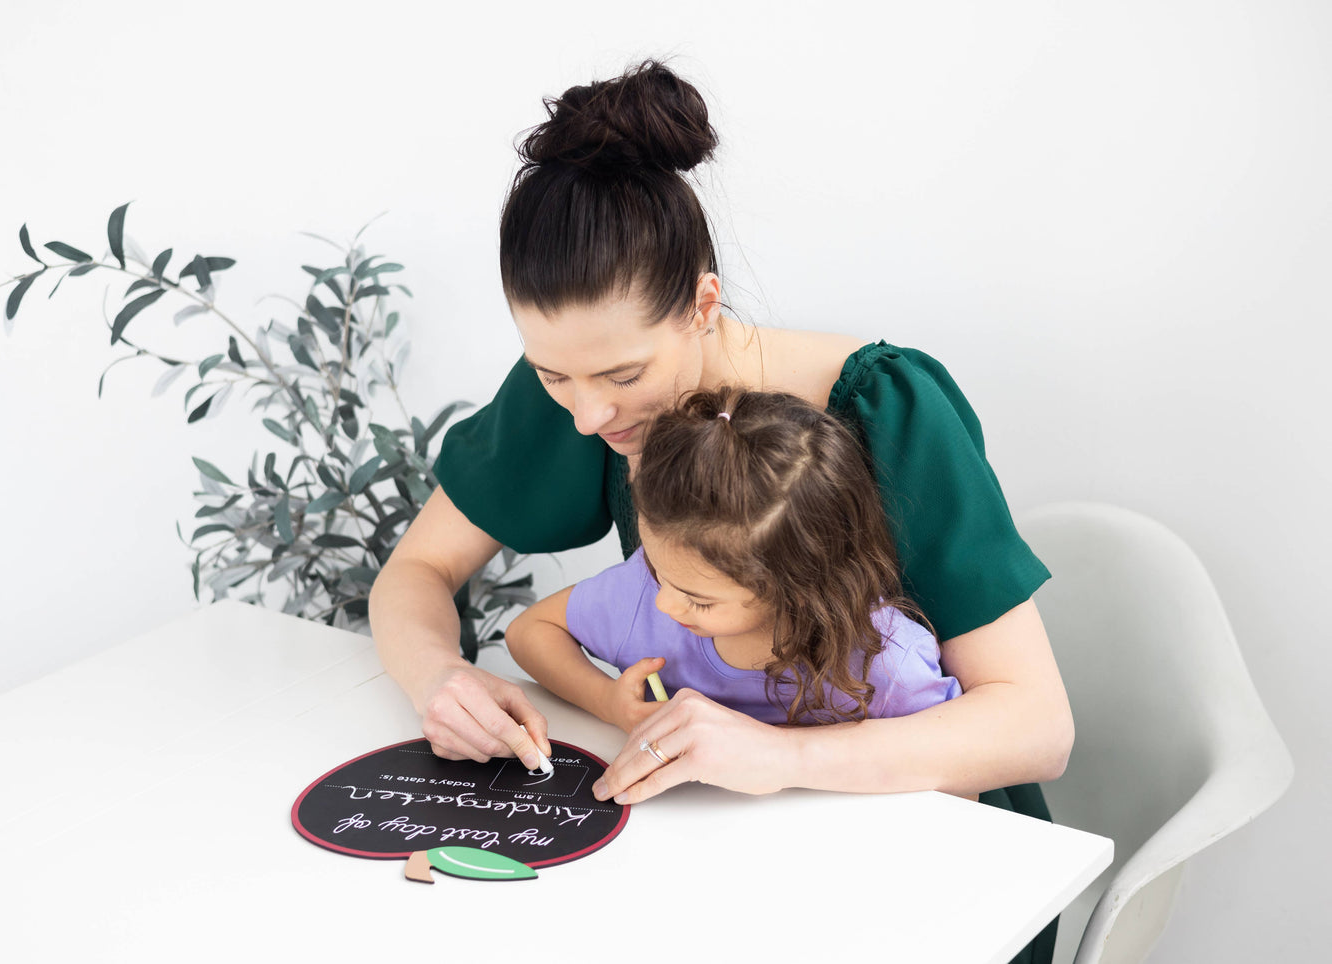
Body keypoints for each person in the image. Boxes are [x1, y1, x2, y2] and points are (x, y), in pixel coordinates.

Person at [368, 58, 1071, 964]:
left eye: (623, 376)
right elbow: (416, 574)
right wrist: (438, 678)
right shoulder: (586, 390)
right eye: (552, 374)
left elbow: (1035, 728)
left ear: (703, 302)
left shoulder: (885, 404)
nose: (586, 415)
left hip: (931, 862)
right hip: (725, 850)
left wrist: (779, 760)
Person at [504, 387, 964, 750]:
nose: (664, 602)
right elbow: (530, 630)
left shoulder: (886, 665)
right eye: (659, 572)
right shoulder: (643, 594)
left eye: (699, 599)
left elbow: (956, 771)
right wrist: (607, 701)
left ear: (797, 587)